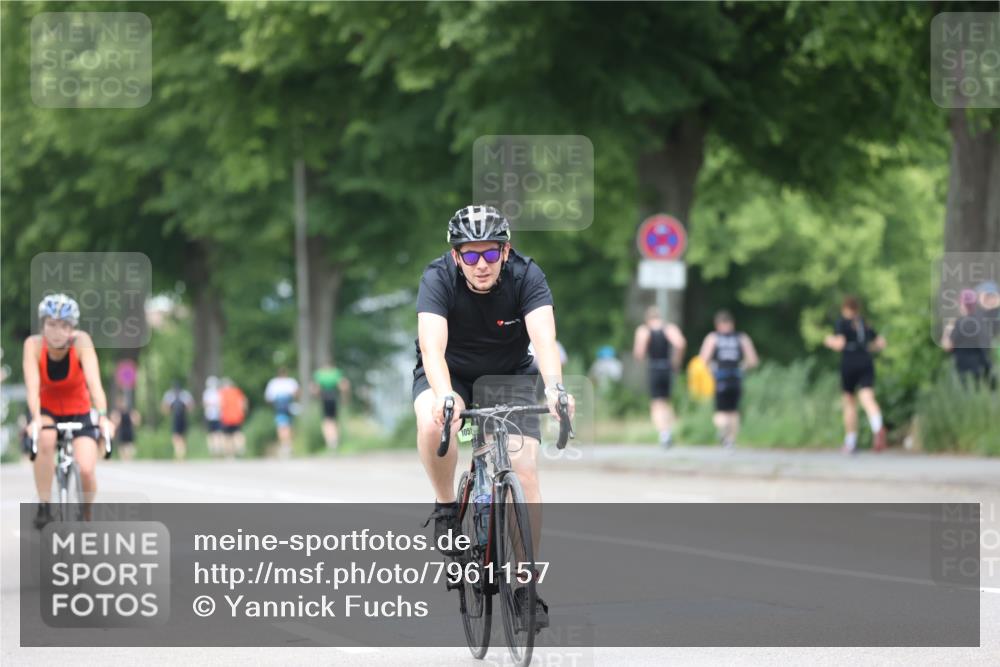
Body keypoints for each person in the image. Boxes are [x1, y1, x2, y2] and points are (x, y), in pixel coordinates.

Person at [413, 205, 575, 631]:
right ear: (455, 257)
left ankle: (524, 587)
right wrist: (446, 395)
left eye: (489, 254)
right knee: (435, 421)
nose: (480, 264)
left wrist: (556, 388)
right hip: (451, 373)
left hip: (508, 374)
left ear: (506, 252)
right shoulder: (437, 278)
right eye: (469, 255)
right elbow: (432, 348)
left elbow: (545, 341)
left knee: (525, 473)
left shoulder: (527, 276)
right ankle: (447, 507)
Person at [22, 294, 116, 527]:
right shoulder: (33, 346)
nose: (57, 331)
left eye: (64, 325)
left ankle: (86, 513)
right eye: (51, 324)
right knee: (45, 437)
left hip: (79, 410)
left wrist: (103, 417)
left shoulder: (82, 343)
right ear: (43, 325)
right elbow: (32, 388)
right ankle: (44, 506)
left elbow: (95, 384)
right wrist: (35, 419)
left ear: (72, 329)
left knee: (86, 469)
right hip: (47, 409)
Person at [824, 296, 887, 454]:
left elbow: (840, 344)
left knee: (849, 401)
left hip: (849, 361)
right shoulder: (864, 323)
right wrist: (866, 348)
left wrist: (829, 341)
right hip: (866, 360)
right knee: (867, 398)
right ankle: (877, 426)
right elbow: (880, 343)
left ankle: (850, 441)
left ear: (845, 308)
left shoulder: (842, 322)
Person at [698, 310, 758, 449]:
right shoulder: (741, 338)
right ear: (732, 323)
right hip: (736, 377)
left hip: (720, 378)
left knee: (720, 411)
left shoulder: (713, 338)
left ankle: (723, 430)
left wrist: (711, 369)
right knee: (734, 411)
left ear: (717, 324)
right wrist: (743, 367)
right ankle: (731, 441)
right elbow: (753, 360)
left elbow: (703, 359)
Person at [632, 306, 687, 447]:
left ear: (647, 319)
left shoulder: (644, 330)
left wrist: (641, 356)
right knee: (666, 402)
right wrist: (676, 361)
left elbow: (639, 352)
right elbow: (680, 344)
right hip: (667, 368)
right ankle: (668, 431)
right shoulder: (669, 328)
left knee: (656, 404)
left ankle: (664, 434)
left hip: (654, 367)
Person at [942, 289, 993, 389]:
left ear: (962, 304)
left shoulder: (959, 323)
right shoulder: (982, 321)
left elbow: (947, 347)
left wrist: (947, 330)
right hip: (984, 368)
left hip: (965, 372)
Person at [312, 362, 350, 450]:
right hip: (334, 397)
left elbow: (316, 388)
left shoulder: (319, 374)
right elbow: (343, 385)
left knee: (326, 421)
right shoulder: (336, 373)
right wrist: (345, 397)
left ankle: (330, 441)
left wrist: (316, 396)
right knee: (334, 420)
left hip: (324, 397)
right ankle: (335, 439)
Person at [265, 367, 300, 458]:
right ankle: (288, 444)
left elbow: (269, 398)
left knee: (281, 426)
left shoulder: (273, 383)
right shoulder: (291, 381)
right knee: (288, 426)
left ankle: (285, 445)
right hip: (288, 404)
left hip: (279, 406)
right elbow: (297, 393)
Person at [161, 380, 194, 460]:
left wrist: (168, 413)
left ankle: (178, 453)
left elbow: (165, 407)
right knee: (183, 436)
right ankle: (182, 453)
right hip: (183, 417)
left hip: (175, 417)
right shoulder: (185, 394)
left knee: (175, 436)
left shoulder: (169, 395)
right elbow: (190, 406)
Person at [218, 378, 248, 457]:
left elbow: (220, 405)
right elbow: (243, 403)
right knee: (238, 433)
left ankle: (229, 453)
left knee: (227, 436)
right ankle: (240, 447)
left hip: (226, 417)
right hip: (237, 416)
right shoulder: (237, 391)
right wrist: (243, 412)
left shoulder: (222, 393)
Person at [110, 394, 141, 461]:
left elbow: (136, 421)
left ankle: (128, 460)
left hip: (129, 433)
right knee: (122, 451)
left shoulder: (130, 412)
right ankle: (125, 461)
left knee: (129, 450)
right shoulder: (118, 412)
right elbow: (115, 422)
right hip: (122, 433)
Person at [202, 375, 224, 456]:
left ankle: (214, 449)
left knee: (212, 433)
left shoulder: (207, 393)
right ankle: (217, 449)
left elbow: (205, 404)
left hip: (211, 416)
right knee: (217, 433)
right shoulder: (219, 392)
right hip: (217, 415)